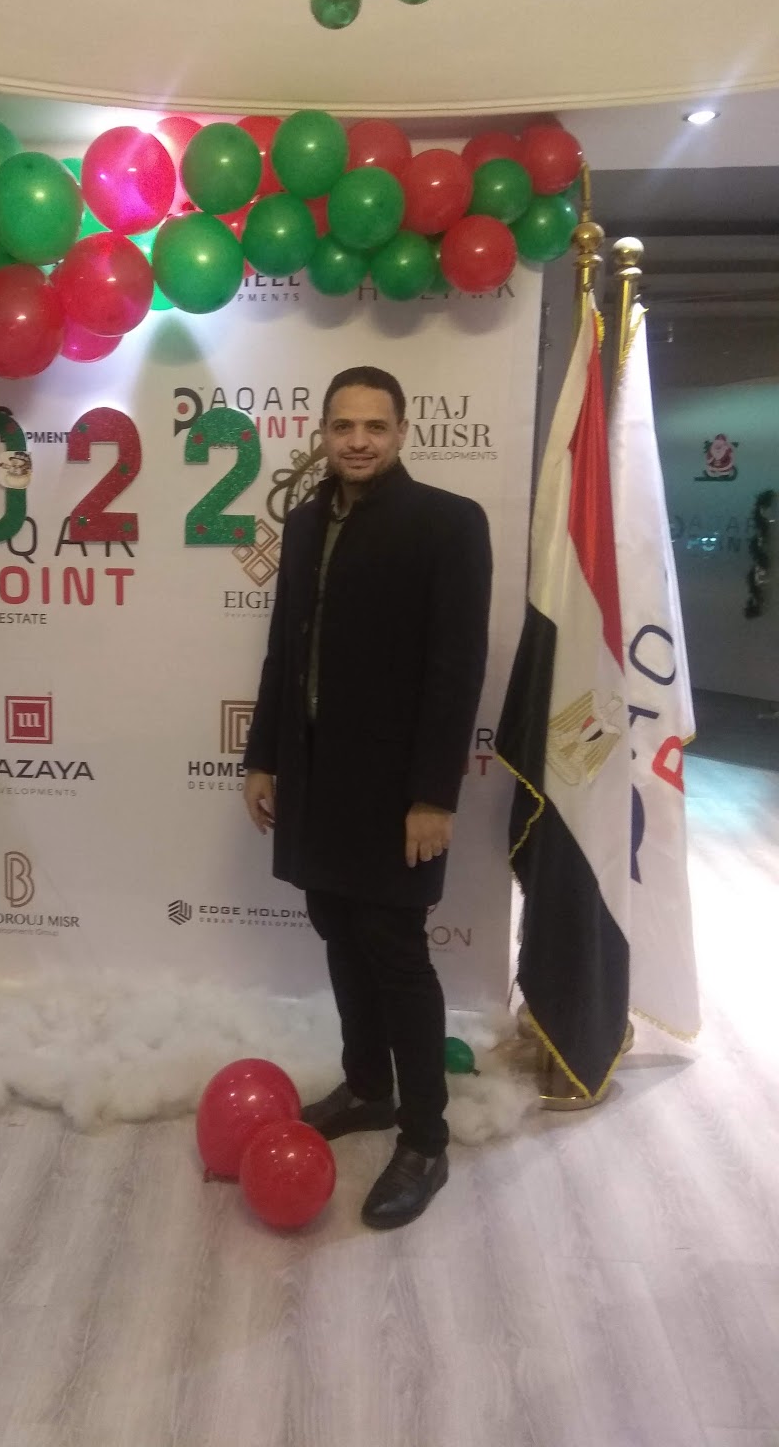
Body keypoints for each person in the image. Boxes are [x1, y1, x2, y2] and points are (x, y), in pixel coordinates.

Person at [243, 365, 491, 1229]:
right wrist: (263, 758)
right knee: (338, 931)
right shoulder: (305, 522)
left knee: (395, 950)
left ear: (401, 432)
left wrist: (433, 797)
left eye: (374, 427)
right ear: (322, 433)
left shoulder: (449, 523)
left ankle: (425, 1137)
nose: (357, 441)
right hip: (315, 776)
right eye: (343, 426)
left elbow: (457, 671)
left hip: (396, 791)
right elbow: (284, 651)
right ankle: (366, 1088)